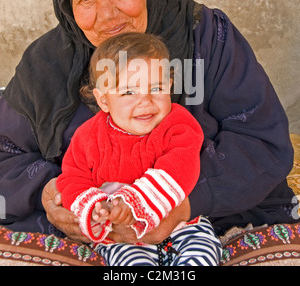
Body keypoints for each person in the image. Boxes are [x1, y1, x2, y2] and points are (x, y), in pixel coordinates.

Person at [0, 0, 296, 246]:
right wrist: (50, 193)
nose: (109, 15)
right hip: (93, 226)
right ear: (67, 7)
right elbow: (6, 150)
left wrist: (182, 205)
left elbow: (260, 139)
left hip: (211, 217)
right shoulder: (45, 64)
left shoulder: (207, 35)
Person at [56, 32, 222, 266]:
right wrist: (97, 208)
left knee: (202, 255)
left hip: (180, 226)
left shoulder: (179, 124)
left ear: (170, 87)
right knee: (129, 264)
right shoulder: (87, 136)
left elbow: (180, 166)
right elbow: (73, 178)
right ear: (104, 100)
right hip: (122, 236)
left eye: (156, 88)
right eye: (129, 92)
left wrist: (135, 204)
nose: (145, 101)